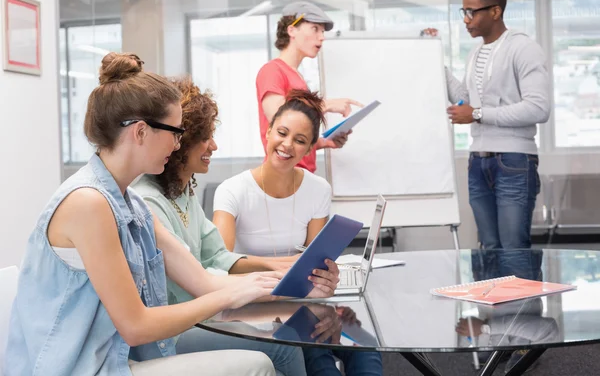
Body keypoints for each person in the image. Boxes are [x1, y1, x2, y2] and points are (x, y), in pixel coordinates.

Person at [3, 52, 283, 376]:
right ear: (140, 132)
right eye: (175, 133)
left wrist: (288, 284)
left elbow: (204, 282)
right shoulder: (88, 204)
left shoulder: (132, 205)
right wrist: (230, 297)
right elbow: (136, 326)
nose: (178, 145)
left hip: (113, 363)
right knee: (258, 366)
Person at [132, 77, 342, 376]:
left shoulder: (182, 192)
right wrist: (288, 285)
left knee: (310, 343)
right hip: (174, 329)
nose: (214, 146)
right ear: (180, 141)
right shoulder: (149, 202)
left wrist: (288, 274)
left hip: (204, 314)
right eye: (205, 137)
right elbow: (197, 282)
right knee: (285, 346)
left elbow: (219, 256)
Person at [213, 90, 383, 376]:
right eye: (282, 133)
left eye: (300, 140)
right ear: (267, 132)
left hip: (305, 302)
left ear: (309, 149)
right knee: (320, 363)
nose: (287, 145)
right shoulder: (232, 190)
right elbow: (219, 262)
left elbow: (315, 260)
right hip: (255, 307)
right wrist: (279, 267)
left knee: (367, 353)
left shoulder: (318, 190)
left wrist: (327, 276)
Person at [422, 0, 551, 251]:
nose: (466, 20)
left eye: (472, 12)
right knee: (489, 247)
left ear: (495, 11)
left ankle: (524, 296)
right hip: (479, 161)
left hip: (513, 161)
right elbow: (467, 100)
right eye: (464, 12)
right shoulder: (476, 52)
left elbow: (538, 108)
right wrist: (433, 57)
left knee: (513, 247)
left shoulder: (523, 48)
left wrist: (478, 114)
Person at [257, 1, 361, 173]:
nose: (322, 37)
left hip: (300, 175)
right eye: (315, 29)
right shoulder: (272, 70)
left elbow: (293, 136)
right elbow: (279, 118)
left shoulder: (297, 77)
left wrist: (323, 142)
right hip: (284, 177)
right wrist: (325, 105)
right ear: (292, 30)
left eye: (322, 31)